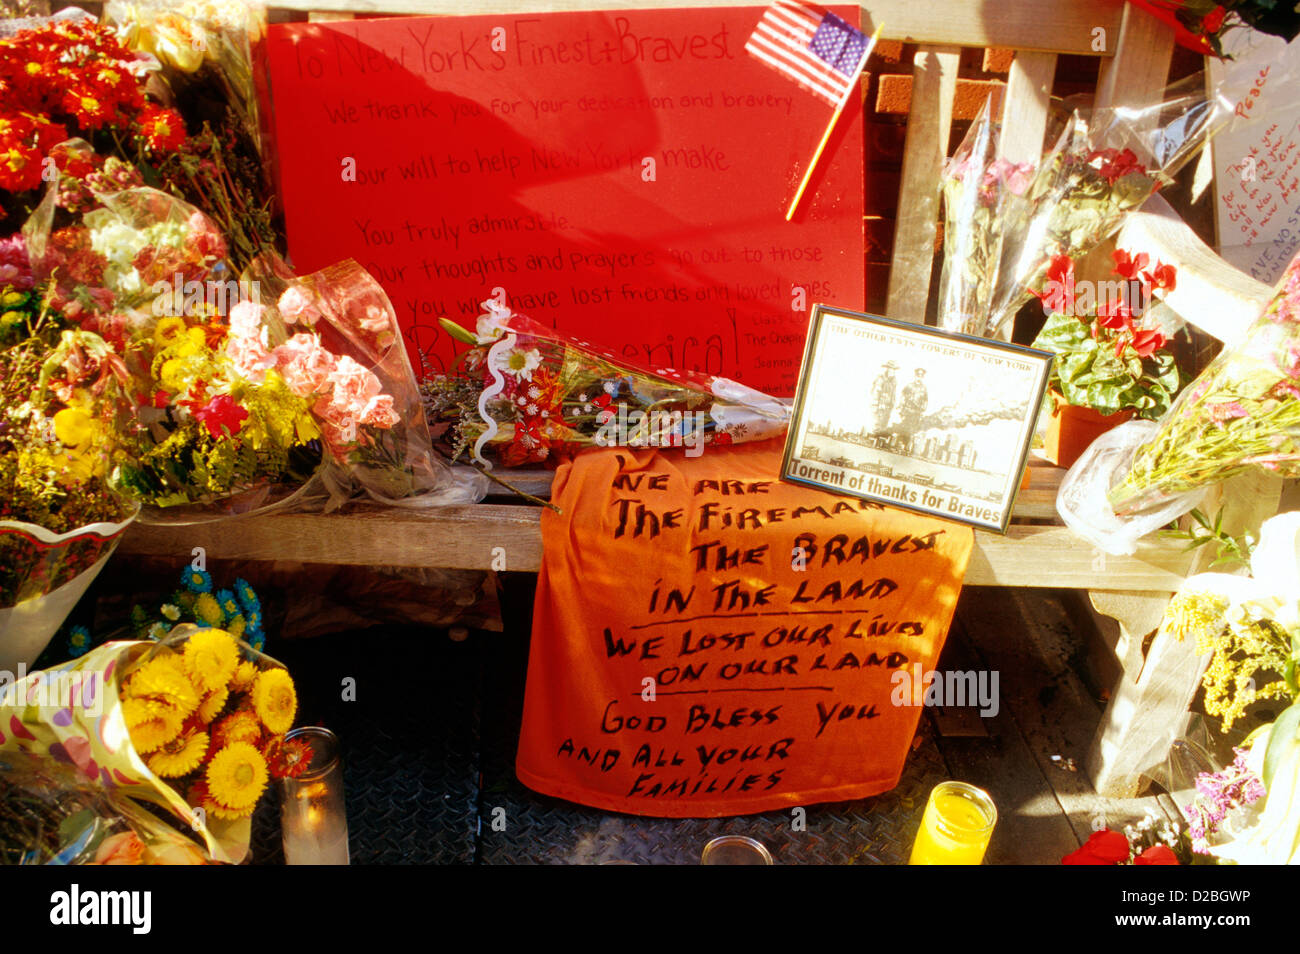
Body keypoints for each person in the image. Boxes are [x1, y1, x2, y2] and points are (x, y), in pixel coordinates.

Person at [898, 368, 929, 454]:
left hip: (916, 412)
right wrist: (901, 406)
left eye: (921, 376)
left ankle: (907, 448)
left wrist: (923, 410)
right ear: (915, 376)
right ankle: (900, 446)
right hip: (907, 410)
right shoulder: (909, 386)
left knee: (912, 430)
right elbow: (902, 395)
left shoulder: (924, 388)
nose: (919, 377)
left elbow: (925, 400)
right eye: (918, 375)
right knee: (904, 427)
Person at [869, 361, 898, 440]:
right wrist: (875, 404)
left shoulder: (894, 381)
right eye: (891, 369)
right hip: (880, 403)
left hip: (888, 405)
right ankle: (874, 436)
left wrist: (893, 404)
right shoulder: (881, 378)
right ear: (887, 369)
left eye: (894, 369)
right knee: (877, 420)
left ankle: (879, 438)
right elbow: (875, 392)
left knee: (885, 421)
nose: (892, 371)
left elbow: (893, 394)